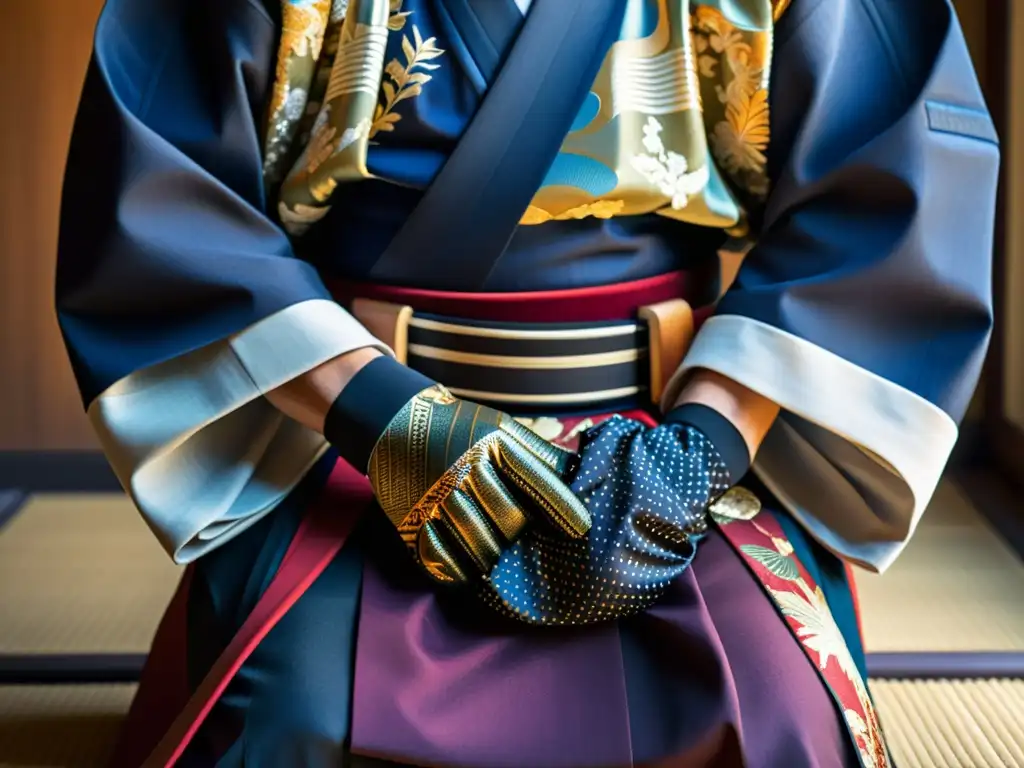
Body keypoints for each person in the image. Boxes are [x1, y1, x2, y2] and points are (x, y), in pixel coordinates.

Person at [56, 0, 998, 765]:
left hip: (673, 430)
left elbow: (883, 184)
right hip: (348, 419)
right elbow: (166, 190)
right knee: (290, 720)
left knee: (777, 712)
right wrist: (388, 421)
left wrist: (701, 454)